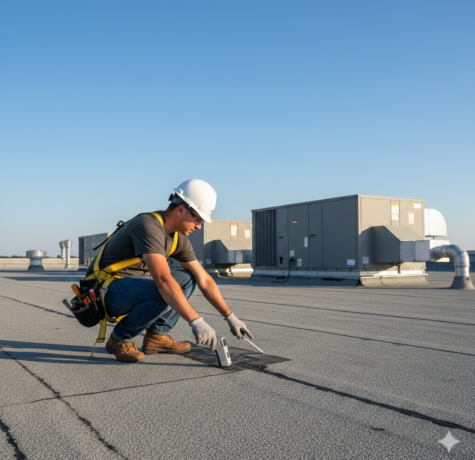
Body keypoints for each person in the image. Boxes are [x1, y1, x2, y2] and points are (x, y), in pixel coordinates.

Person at [85, 179, 253, 363]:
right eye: (197, 219)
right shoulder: (148, 226)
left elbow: (203, 278)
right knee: (164, 289)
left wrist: (230, 317)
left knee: (187, 279)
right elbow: (164, 281)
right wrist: (196, 321)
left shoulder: (177, 239)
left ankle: (157, 336)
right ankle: (120, 339)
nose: (199, 226)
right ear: (181, 209)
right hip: (104, 291)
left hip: (130, 288)